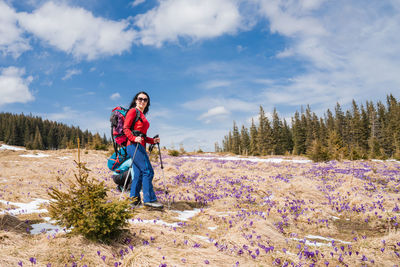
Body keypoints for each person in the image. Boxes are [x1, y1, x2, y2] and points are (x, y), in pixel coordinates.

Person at [123, 91, 163, 208]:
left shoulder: (141, 115)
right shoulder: (132, 111)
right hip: (133, 146)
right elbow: (126, 128)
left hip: (138, 145)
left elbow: (143, 136)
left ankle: (134, 201)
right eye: (140, 99)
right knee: (148, 171)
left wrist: (152, 141)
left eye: (145, 100)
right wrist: (134, 138)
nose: (142, 101)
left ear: (147, 103)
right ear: (136, 100)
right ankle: (149, 199)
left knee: (139, 174)